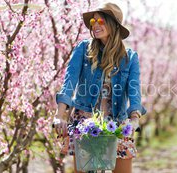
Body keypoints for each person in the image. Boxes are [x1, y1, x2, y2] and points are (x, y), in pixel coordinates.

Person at [53, 2, 147, 173]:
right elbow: (69, 82)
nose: (95, 25)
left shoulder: (130, 58)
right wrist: (60, 115)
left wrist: (134, 119)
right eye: (93, 22)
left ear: (113, 24)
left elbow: (134, 91)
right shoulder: (84, 49)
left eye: (100, 21)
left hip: (117, 122)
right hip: (85, 121)